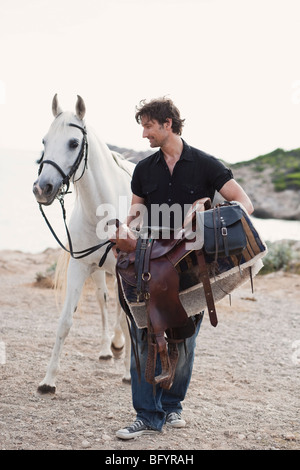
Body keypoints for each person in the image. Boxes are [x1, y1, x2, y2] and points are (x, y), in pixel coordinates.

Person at [114, 97, 254, 440]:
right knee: (144, 336)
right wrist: (124, 227)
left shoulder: (206, 164)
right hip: (151, 263)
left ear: (168, 124)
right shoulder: (143, 169)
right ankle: (147, 414)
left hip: (194, 265)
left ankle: (174, 404)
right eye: (142, 126)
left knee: (185, 339)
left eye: (148, 126)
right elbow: (136, 211)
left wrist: (205, 213)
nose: (144, 133)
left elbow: (243, 204)